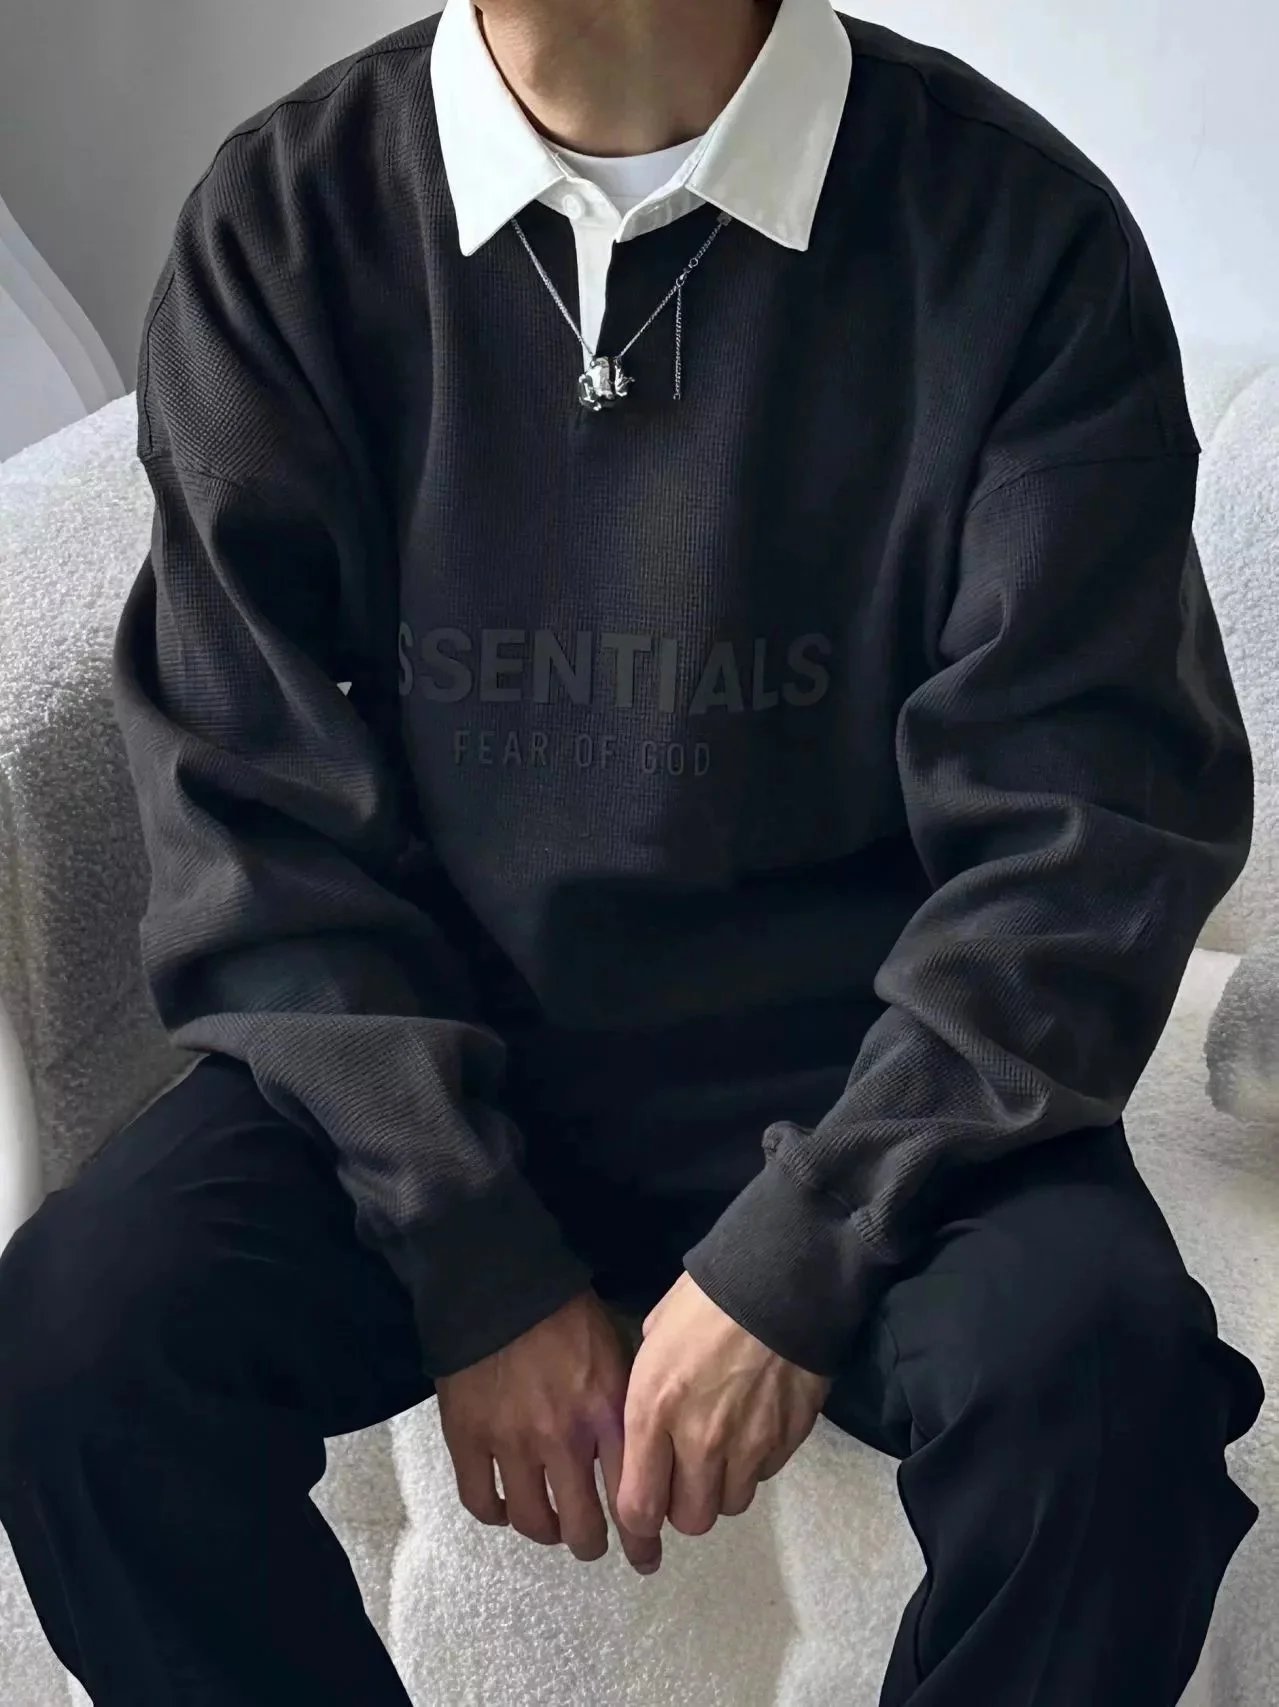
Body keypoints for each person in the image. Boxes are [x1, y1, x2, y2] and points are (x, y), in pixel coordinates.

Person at [0, 0, 1265, 1701]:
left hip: (872, 1061)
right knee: (78, 1351)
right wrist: (466, 1238)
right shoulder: (290, 218)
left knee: (1108, 1396)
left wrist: (808, 1238)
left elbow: (1085, 826)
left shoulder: (1010, 230)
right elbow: (249, 795)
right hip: (435, 1044)